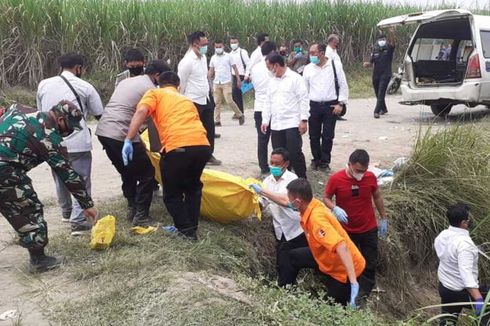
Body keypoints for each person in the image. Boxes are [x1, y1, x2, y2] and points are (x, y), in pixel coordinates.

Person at [0, 101, 97, 272]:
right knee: (29, 209)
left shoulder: (19, 108)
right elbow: (68, 174)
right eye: (70, 126)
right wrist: (87, 204)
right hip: (5, 172)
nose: (70, 132)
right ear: (60, 119)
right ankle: (39, 259)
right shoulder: (49, 137)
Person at [123, 71, 211, 240]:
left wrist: (129, 139)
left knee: (172, 194)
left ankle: (186, 232)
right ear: (178, 85)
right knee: (193, 189)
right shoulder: (185, 99)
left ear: (159, 83)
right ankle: (190, 228)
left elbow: (142, 111)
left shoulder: (155, 93)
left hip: (177, 148)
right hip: (202, 146)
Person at [96, 60, 170, 226]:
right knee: (147, 174)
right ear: (157, 75)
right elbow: (151, 120)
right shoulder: (150, 90)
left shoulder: (126, 81)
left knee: (127, 170)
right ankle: (141, 216)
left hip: (104, 131)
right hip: (120, 133)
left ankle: (132, 207)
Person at [36, 53, 104, 236]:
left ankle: (66, 212)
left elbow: (41, 112)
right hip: (77, 141)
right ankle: (79, 220)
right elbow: (99, 114)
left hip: (52, 140)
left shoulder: (44, 84)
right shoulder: (85, 86)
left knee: (60, 176)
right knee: (81, 178)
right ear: (78, 68)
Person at [283, 178, 365, 306]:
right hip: (324, 255)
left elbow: (341, 246)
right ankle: (284, 291)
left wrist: (353, 281)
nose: (288, 202)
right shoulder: (311, 204)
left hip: (343, 270)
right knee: (292, 256)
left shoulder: (317, 220)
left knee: (332, 306)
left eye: (289, 199)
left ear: (298, 202)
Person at [323, 149, 387, 300]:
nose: (361, 174)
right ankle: (348, 289)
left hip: (368, 227)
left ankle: (364, 292)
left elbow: (377, 196)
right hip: (346, 229)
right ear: (350, 165)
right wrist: (334, 208)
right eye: (358, 170)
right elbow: (326, 198)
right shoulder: (336, 179)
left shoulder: (370, 177)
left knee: (370, 261)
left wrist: (384, 218)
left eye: (364, 171)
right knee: (348, 261)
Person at [248, 148, 307, 286]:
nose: (273, 166)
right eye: (271, 162)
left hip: (297, 230)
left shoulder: (293, 180)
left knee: (296, 262)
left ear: (286, 164)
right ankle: (286, 288)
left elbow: (286, 201)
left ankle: (290, 288)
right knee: (283, 265)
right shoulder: (267, 181)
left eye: (277, 163)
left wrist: (263, 191)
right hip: (280, 230)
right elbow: (263, 201)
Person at [434, 203, 488, 326]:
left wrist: (474, 250)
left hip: (445, 287)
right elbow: (466, 274)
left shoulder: (442, 236)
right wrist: (479, 300)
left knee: (448, 321)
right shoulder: (465, 245)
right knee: (487, 308)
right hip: (461, 291)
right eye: (468, 218)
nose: (470, 220)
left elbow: (447, 255)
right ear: (463, 223)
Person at [261, 53, 309, 179]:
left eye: (269, 67)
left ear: (276, 66)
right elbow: (268, 102)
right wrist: (265, 120)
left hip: (292, 123)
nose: (269, 70)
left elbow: (303, 100)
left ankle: (301, 179)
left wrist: (303, 120)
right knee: (279, 155)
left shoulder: (295, 78)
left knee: (294, 153)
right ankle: (283, 180)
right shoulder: (271, 82)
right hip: (276, 124)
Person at [303, 43, 348, 172]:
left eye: (313, 53)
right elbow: (304, 90)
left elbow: (343, 84)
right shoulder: (308, 69)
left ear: (322, 53)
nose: (311, 56)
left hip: (331, 105)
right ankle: (315, 159)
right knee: (314, 135)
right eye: (310, 53)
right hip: (313, 105)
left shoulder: (335, 65)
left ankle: (325, 162)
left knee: (328, 135)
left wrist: (341, 103)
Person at [178, 31, 221, 165]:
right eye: (204, 44)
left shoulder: (203, 58)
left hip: (205, 98)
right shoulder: (186, 62)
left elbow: (204, 77)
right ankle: (193, 157)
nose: (206, 46)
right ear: (195, 44)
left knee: (209, 129)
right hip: (192, 101)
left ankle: (209, 155)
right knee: (194, 131)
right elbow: (181, 83)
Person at [250, 41, 277, 175]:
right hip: (272, 106)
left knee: (262, 139)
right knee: (277, 138)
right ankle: (279, 164)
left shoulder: (255, 68)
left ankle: (263, 166)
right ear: (273, 51)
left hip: (259, 106)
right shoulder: (271, 67)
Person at [208, 40, 245, 126]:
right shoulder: (213, 58)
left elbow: (235, 68)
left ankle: (240, 115)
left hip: (226, 82)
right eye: (216, 47)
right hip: (216, 82)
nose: (218, 49)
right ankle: (217, 121)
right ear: (214, 47)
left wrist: (238, 79)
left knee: (229, 100)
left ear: (223, 46)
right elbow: (211, 71)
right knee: (217, 102)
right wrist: (208, 80)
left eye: (219, 47)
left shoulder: (228, 56)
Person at [363, 29, 395, 119]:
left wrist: (392, 33)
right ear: (377, 40)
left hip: (385, 74)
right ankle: (383, 108)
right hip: (376, 74)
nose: (381, 41)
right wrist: (367, 64)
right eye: (380, 39)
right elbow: (372, 62)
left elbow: (393, 43)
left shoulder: (388, 48)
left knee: (381, 93)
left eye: (383, 39)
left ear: (385, 40)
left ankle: (376, 111)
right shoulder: (375, 49)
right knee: (378, 93)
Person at [229, 36, 250, 116]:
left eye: (234, 42)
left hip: (241, 75)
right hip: (233, 75)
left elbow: (248, 63)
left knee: (238, 94)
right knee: (234, 94)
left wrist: (247, 75)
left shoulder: (242, 52)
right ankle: (238, 112)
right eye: (231, 43)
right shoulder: (230, 54)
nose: (233, 44)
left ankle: (240, 112)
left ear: (238, 43)